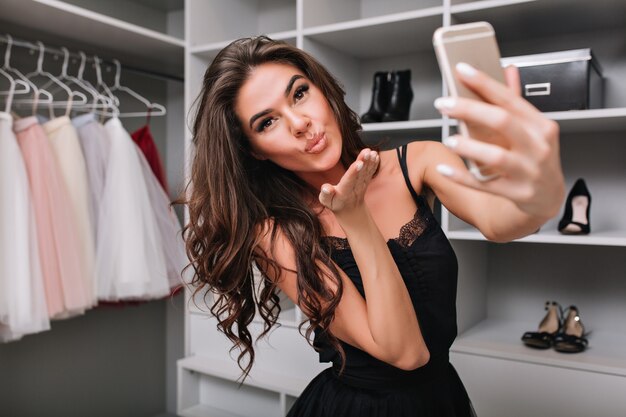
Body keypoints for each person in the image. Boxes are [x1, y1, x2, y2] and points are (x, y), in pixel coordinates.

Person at [183, 35, 565, 416]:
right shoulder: (273, 234)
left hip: (439, 399)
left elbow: (500, 223)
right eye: (268, 122)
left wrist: (539, 198)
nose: (300, 123)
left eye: (299, 94)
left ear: (323, 89)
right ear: (254, 150)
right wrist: (355, 217)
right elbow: (405, 352)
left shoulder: (418, 161)